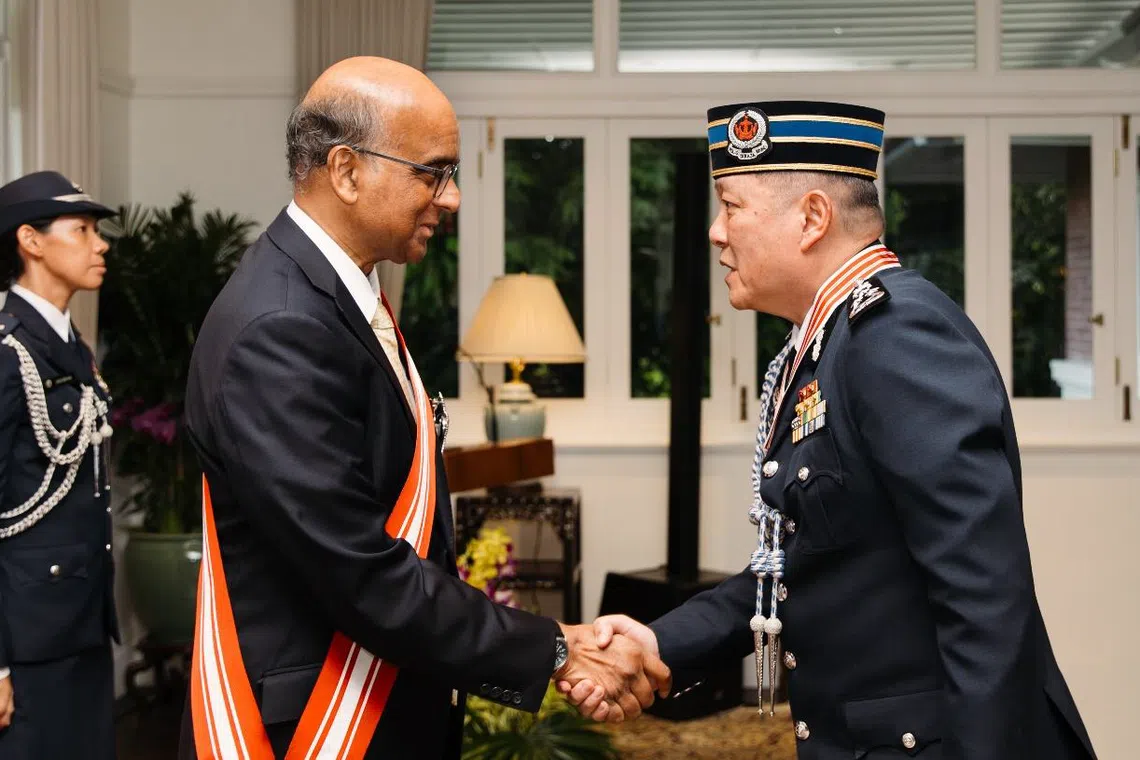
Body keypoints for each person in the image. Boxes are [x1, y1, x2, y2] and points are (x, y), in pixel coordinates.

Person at [562, 101, 1098, 759]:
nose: (715, 232)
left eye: (731, 206)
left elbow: (984, 595)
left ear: (813, 218)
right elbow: (803, 566)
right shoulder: (825, 345)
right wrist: (655, 643)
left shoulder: (896, 337)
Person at [178, 56, 668, 760]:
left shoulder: (331, 296)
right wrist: (558, 649)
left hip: (383, 691)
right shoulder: (279, 326)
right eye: (432, 172)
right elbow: (360, 572)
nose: (453, 197)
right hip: (324, 718)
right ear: (346, 170)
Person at [0, 170, 119, 759]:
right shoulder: (7, 353)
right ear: (32, 240)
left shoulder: (71, 348)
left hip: (81, 624)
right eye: (83, 229)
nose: (100, 244)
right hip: (25, 641)